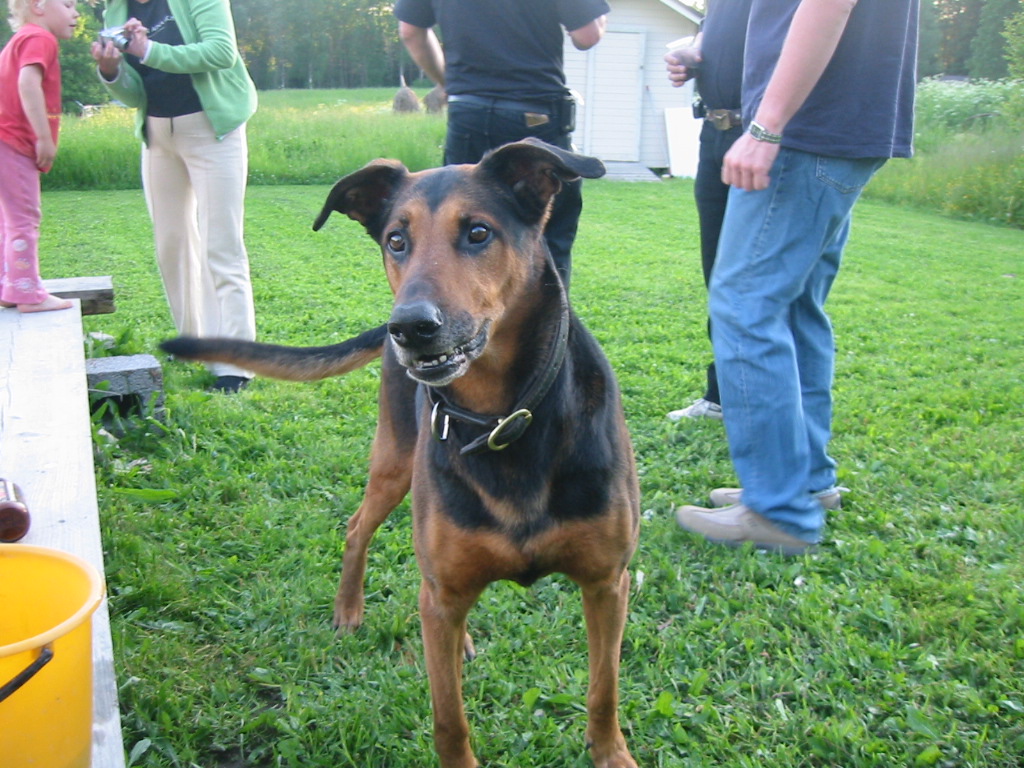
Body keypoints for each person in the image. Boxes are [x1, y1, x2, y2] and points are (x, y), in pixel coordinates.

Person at [676, 0, 919, 554]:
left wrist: (767, 126)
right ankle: (804, 482)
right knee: (795, 307)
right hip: (837, 128)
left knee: (744, 304)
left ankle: (778, 510)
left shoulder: (788, 127)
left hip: (805, 131)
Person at [91, 0, 258, 393]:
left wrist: (148, 49)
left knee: (221, 245)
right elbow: (135, 94)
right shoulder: (116, 10)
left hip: (212, 130)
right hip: (157, 137)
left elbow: (221, 52)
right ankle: (191, 342)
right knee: (172, 244)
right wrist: (111, 71)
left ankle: (235, 361)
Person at [393, 0, 609, 292]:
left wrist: (451, 83)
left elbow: (410, 31)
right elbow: (587, 34)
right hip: (534, 114)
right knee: (548, 243)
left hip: (468, 110)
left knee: (457, 237)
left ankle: (455, 318)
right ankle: (546, 322)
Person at [663, 0, 752, 422]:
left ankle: (759, 402)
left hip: (761, 135)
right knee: (718, 275)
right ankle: (722, 395)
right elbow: (710, 38)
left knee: (751, 281)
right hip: (715, 133)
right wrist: (693, 54)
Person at [0, 0, 78, 314]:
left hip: (3, 138)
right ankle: (28, 293)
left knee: (8, 218)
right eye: (68, 4)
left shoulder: (19, 40)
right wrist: (43, 136)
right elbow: (27, 83)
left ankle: (9, 286)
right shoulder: (39, 38)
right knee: (24, 219)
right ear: (39, 6)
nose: (76, 13)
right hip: (14, 141)